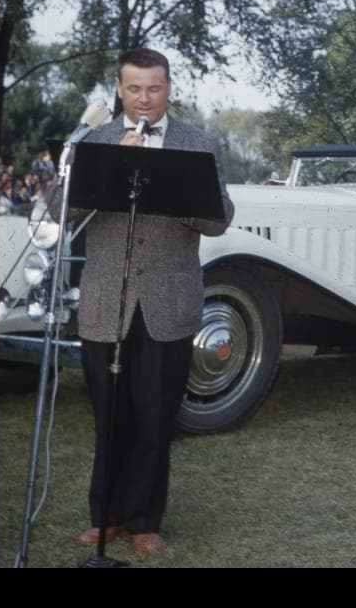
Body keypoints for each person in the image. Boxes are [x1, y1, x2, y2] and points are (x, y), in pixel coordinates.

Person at [69, 48, 234, 554]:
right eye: (134, 88)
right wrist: (107, 167)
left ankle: (144, 520)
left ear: (169, 88)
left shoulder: (199, 144)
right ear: (119, 89)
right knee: (109, 414)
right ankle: (108, 515)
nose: (145, 98)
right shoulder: (92, 142)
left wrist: (174, 180)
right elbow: (63, 214)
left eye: (155, 88)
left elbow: (218, 219)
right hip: (105, 301)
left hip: (169, 303)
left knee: (155, 416)